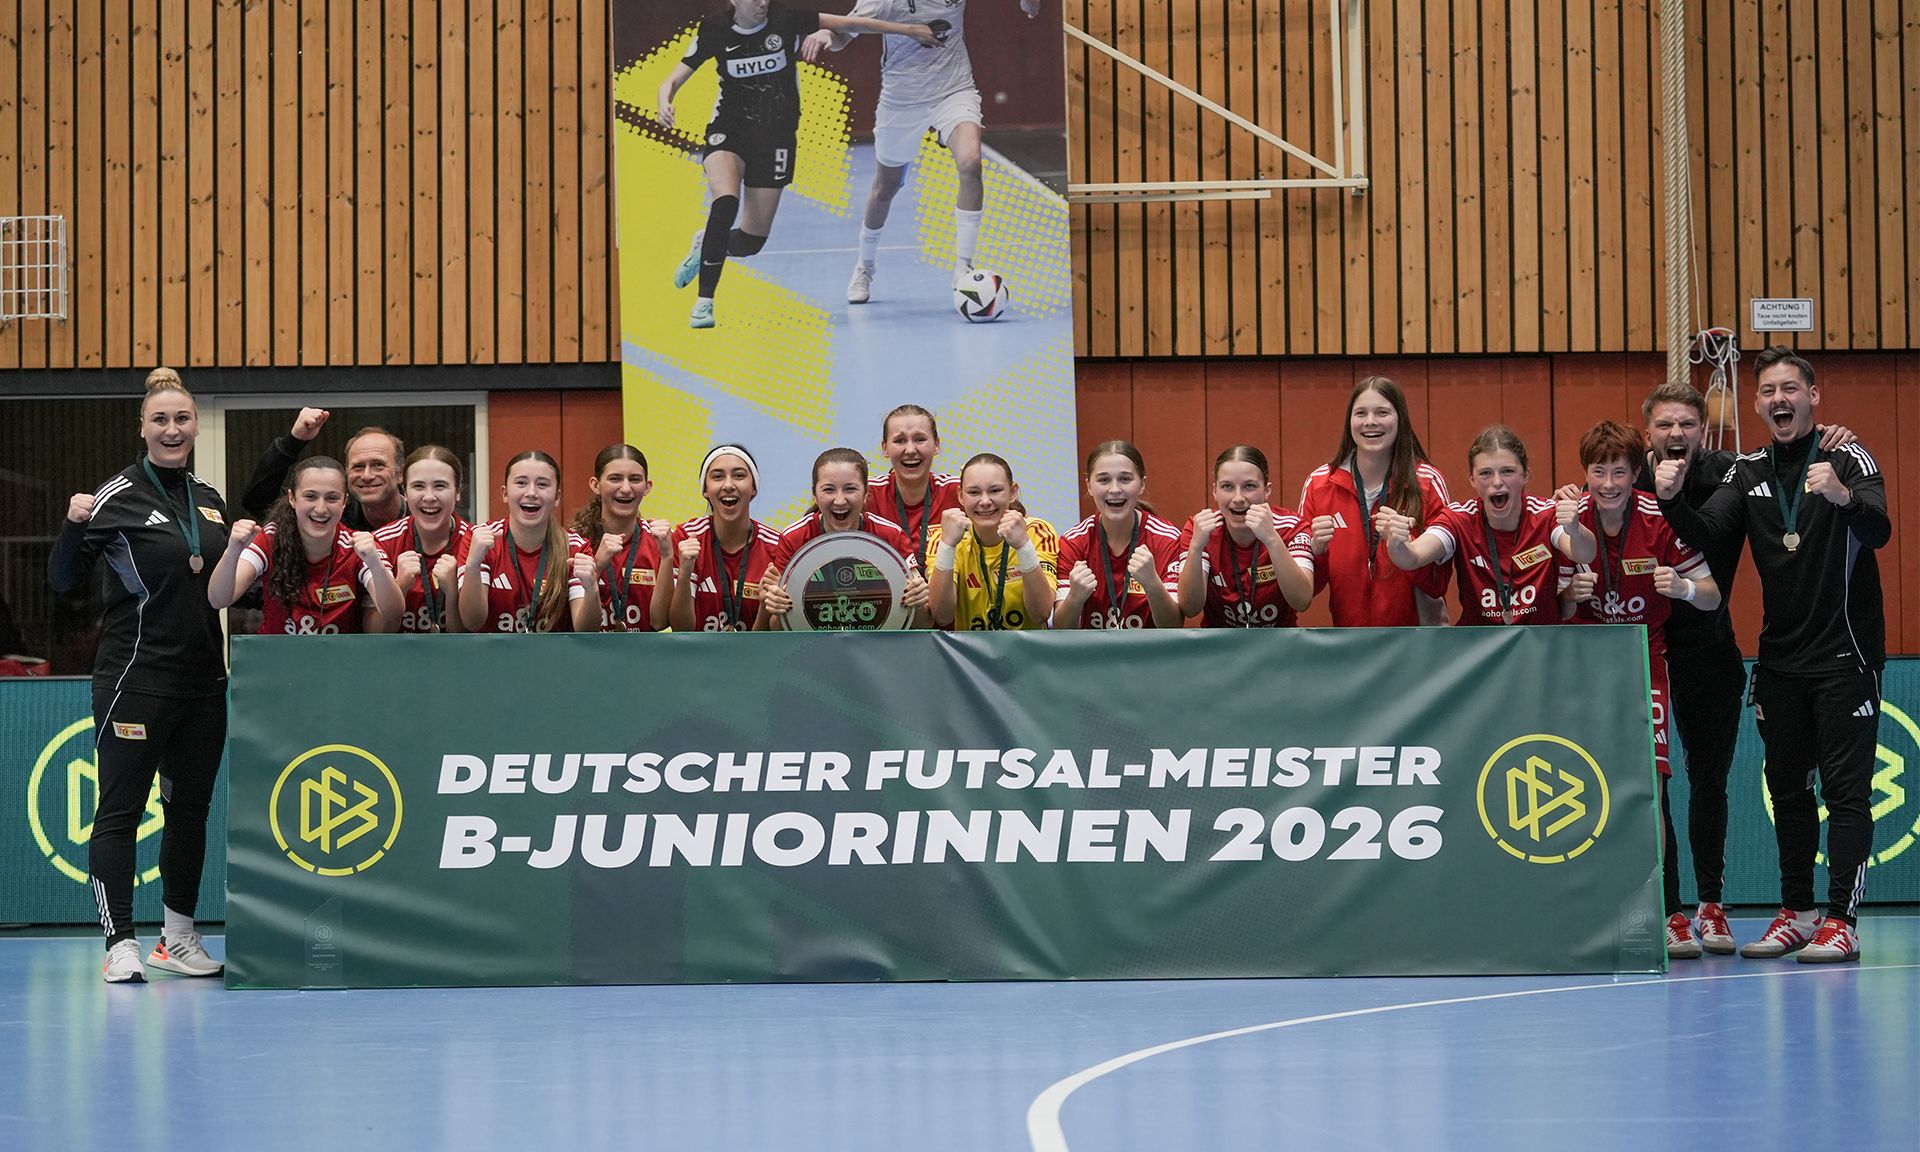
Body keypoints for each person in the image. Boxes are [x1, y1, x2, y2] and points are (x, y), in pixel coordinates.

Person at [1656, 348, 1890, 963]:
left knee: (1845, 792)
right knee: (1786, 788)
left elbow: (1879, 530)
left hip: (1847, 656)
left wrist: (1842, 495)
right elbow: (1708, 533)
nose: (1779, 399)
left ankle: (1842, 919)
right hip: (1779, 660)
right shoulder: (1747, 469)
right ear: (1756, 403)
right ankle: (1799, 911)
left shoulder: (1848, 455)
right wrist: (1674, 500)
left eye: (1790, 388)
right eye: (1767, 391)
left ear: (1814, 396)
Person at [1614, 383, 1860, 953]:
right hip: (1639, 655)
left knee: (1708, 782)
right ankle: (1670, 910)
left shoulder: (1734, 471)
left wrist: (1833, 435)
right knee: (1651, 785)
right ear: (1647, 432)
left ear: (1703, 431)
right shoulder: (1626, 478)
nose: (1676, 435)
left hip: (1709, 653)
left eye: (1688, 425)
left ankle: (1710, 906)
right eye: (1665, 426)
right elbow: (1583, 508)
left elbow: (1764, 477)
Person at [46, 369, 230, 983]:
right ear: (143, 428)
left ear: (194, 425)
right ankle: (118, 941)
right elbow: (64, 581)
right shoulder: (116, 495)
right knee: (121, 810)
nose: (172, 429)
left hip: (204, 683)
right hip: (135, 678)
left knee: (190, 813)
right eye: (161, 420)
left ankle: (177, 938)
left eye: (182, 419)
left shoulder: (210, 500)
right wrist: (73, 527)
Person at [658, 0, 941, 328]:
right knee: (725, 201)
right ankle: (704, 304)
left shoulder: (786, 19)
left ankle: (707, 242)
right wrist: (665, 100)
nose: (763, 2)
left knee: (751, 242)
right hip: (729, 132)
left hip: (775, 139)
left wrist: (909, 30)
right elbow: (673, 79)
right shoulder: (715, 29)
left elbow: (851, 24)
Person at [1557, 421, 1721, 959]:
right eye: (1598, 470)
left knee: (1652, 789)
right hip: (1581, 668)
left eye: (1619, 471)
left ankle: (1669, 913)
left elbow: (1713, 596)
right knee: (1578, 784)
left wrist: (1683, 587)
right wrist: (1568, 595)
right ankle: (1585, 907)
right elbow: (1549, 600)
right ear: (1585, 472)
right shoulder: (1564, 516)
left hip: (1641, 664)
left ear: (1636, 473)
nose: (1608, 482)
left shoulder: (1657, 518)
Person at [801, 0, 1041, 301]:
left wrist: (1030, 5)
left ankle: (963, 266)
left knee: (970, 162)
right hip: (901, 101)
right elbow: (845, 34)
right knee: (885, 188)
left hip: (954, 90)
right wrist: (828, 36)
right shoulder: (884, 2)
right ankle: (865, 265)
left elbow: (1028, 8)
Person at [1380, 425, 1584, 626]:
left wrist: (1575, 529)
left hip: (1540, 648)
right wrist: (1398, 543)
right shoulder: (1459, 518)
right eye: (1486, 473)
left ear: (1526, 475)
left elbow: (1584, 553)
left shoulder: (1546, 513)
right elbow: (1412, 557)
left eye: (1507, 471)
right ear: (1472, 479)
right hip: (1481, 649)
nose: (1497, 482)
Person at [1295, 377, 1454, 627]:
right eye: (1361, 413)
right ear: (1349, 421)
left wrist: (1407, 548)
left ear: (1400, 419)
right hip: (1351, 643)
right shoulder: (1319, 484)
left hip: (1417, 642)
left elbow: (1438, 582)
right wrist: (1317, 552)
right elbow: (1306, 590)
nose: (1370, 421)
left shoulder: (1427, 482)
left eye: (1382, 412)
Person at [207, 457, 406, 635]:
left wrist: (375, 564)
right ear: (292, 498)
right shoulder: (271, 538)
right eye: (310, 497)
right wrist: (232, 551)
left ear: (344, 502)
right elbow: (219, 599)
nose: (321, 508)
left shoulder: (358, 546)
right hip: (276, 665)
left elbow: (393, 612)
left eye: (332, 498)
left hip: (339, 665)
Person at [762, 447, 930, 629]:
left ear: (866, 493)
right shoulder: (794, 537)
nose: (840, 500)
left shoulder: (890, 535)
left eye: (850, 489)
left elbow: (924, 624)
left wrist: (918, 601)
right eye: (829, 490)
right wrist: (777, 606)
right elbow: (777, 629)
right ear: (815, 495)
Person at [458, 451, 597, 634]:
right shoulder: (479, 539)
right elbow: (472, 622)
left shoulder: (576, 548)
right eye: (521, 483)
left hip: (553, 660)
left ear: (557, 497)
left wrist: (592, 590)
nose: (531, 493)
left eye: (542, 484)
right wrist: (473, 565)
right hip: (493, 659)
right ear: (505, 493)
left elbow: (586, 630)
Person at [1176, 445, 1314, 628]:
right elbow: (1190, 608)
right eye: (1227, 487)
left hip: (1280, 647)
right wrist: (1195, 549)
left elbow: (1302, 601)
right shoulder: (1200, 529)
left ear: (1267, 490)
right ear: (1215, 490)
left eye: (1249, 486)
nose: (1238, 497)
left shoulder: (1292, 527)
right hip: (1219, 648)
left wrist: (1272, 539)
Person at [1052, 441, 1183, 630]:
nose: (1114, 489)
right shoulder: (1073, 542)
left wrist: (1152, 583)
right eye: (1103, 480)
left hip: (1152, 657)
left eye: (1125, 479)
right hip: (1095, 657)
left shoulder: (1167, 538)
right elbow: (1061, 631)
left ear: (1142, 484)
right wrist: (1074, 598)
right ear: (1089, 485)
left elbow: (1174, 626)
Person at [926, 453, 1056, 630]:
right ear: (960, 496)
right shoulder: (944, 538)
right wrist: (948, 546)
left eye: (995, 490)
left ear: (1012, 492)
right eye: (973, 492)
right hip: (970, 656)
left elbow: (1041, 613)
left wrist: (1024, 547)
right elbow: (942, 615)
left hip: (1027, 656)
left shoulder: (1037, 532)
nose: (985, 501)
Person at [667, 445, 786, 632]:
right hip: (699, 658)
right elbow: (681, 629)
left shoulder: (777, 546)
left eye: (739, 475)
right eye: (717, 476)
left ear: (753, 488)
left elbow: (767, 641)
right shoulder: (685, 537)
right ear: (705, 490)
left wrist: (765, 607)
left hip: (754, 658)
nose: (728, 485)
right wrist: (685, 573)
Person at [243, 407, 406, 531]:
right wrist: (294, 441)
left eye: (378, 465)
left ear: (400, 474)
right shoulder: (334, 511)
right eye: (358, 467)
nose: (367, 475)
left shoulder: (423, 513)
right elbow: (258, 500)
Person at [370, 446, 474, 634]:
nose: (429, 497)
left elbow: (469, 639)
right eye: (418, 486)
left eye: (440, 486)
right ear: (405, 492)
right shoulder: (381, 542)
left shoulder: (475, 544)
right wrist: (399, 586)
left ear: (457, 492)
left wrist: (452, 595)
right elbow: (375, 635)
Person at [572, 445, 674, 632]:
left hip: (644, 658)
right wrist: (597, 566)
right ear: (596, 485)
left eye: (635, 479)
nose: (626, 488)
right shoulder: (575, 543)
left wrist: (667, 557)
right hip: (588, 658)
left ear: (647, 487)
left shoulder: (659, 541)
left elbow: (659, 622)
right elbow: (581, 629)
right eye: (615, 479)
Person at [868, 404, 961, 568]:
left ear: (936, 445)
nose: (910, 450)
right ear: (885, 448)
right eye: (899, 440)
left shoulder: (960, 492)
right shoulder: (866, 494)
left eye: (920, 439)